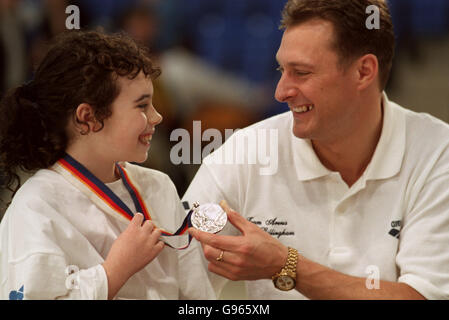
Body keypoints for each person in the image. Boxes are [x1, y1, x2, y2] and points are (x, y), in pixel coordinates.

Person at [183, 0, 449, 300]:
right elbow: (174, 283)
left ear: (364, 71)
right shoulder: (243, 153)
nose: (280, 92)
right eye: (281, 70)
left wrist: (286, 265)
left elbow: (422, 296)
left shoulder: (437, 154)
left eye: (301, 72)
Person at [0, 30, 214, 300]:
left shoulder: (158, 186)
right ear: (87, 117)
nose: (157, 116)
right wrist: (113, 272)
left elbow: (196, 297)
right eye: (142, 106)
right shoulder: (36, 206)